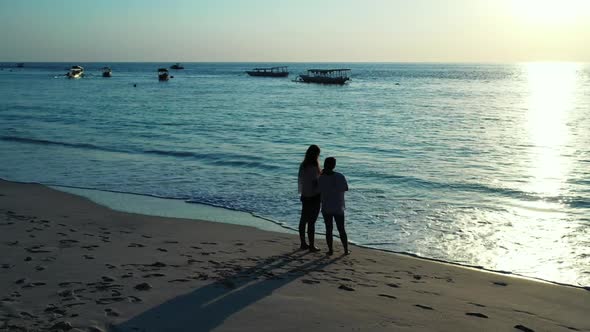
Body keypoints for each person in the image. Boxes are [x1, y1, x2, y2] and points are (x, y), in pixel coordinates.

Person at [318, 157, 350, 255]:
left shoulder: (321, 177)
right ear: (334, 165)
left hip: (326, 206)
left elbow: (318, 190)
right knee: (341, 229)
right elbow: (346, 188)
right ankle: (345, 250)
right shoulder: (340, 176)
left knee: (329, 229)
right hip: (338, 206)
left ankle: (330, 250)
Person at [298, 144, 322, 252]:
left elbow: (301, 182)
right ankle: (311, 245)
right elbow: (316, 183)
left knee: (303, 220)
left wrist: (302, 194)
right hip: (314, 196)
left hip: (305, 195)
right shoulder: (314, 167)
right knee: (312, 221)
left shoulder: (303, 166)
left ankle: (303, 243)